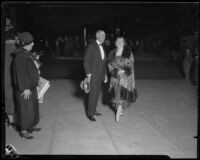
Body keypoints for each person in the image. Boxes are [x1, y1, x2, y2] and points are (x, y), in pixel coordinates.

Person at [12, 32, 41, 139]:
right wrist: (25, 88)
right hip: (25, 88)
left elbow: (31, 69)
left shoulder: (26, 54)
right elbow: (21, 74)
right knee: (24, 109)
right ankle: (24, 130)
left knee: (32, 106)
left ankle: (31, 125)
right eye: (31, 43)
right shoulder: (20, 57)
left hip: (31, 86)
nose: (33, 44)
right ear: (24, 45)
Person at [108, 37, 137, 122]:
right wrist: (116, 71)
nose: (119, 43)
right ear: (116, 43)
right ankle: (120, 108)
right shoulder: (112, 53)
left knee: (120, 93)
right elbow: (109, 65)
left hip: (125, 78)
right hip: (115, 77)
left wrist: (124, 70)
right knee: (116, 93)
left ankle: (119, 108)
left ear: (124, 43)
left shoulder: (128, 53)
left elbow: (131, 65)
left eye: (121, 41)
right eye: (118, 41)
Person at [83, 30, 108, 121]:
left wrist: (105, 74)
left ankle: (94, 110)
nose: (104, 37)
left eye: (104, 35)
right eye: (102, 35)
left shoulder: (102, 47)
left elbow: (103, 63)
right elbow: (86, 61)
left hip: (100, 75)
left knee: (97, 94)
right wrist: (88, 74)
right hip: (93, 75)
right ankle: (90, 113)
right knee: (93, 94)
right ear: (97, 36)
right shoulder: (91, 46)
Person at [4, 17, 18, 127]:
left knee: (8, 94)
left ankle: (10, 119)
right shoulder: (14, 46)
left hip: (8, 74)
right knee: (10, 93)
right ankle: (11, 120)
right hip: (10, 73)